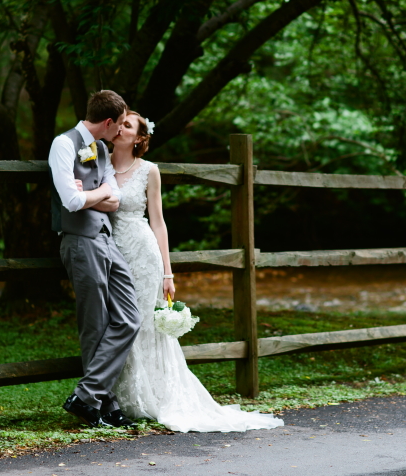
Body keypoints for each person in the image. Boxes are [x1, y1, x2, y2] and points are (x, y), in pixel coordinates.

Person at [82, 111, 284, 432]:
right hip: (107, 252)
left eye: (129, 126)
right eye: (120, 123)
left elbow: (158, 222)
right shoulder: (98, 163)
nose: (121, 128)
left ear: (139, 138)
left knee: (142, 321)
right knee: (113, 320)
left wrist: (167, 272)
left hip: (142, 252)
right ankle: (113, 398)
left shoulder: (149, 171)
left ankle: (150, 396)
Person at [49, 90, 140, 429]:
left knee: (129, 317)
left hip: (105, 238)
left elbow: (114, 200)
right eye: (119, 125)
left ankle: (87, 396)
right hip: (79, 241)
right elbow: (70, 202)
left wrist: (91, 194)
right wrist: (93, 194)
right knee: (95, 324)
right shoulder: (64, 144)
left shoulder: (101, 148)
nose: (121, 131)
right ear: (107, 122)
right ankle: (104, 404)